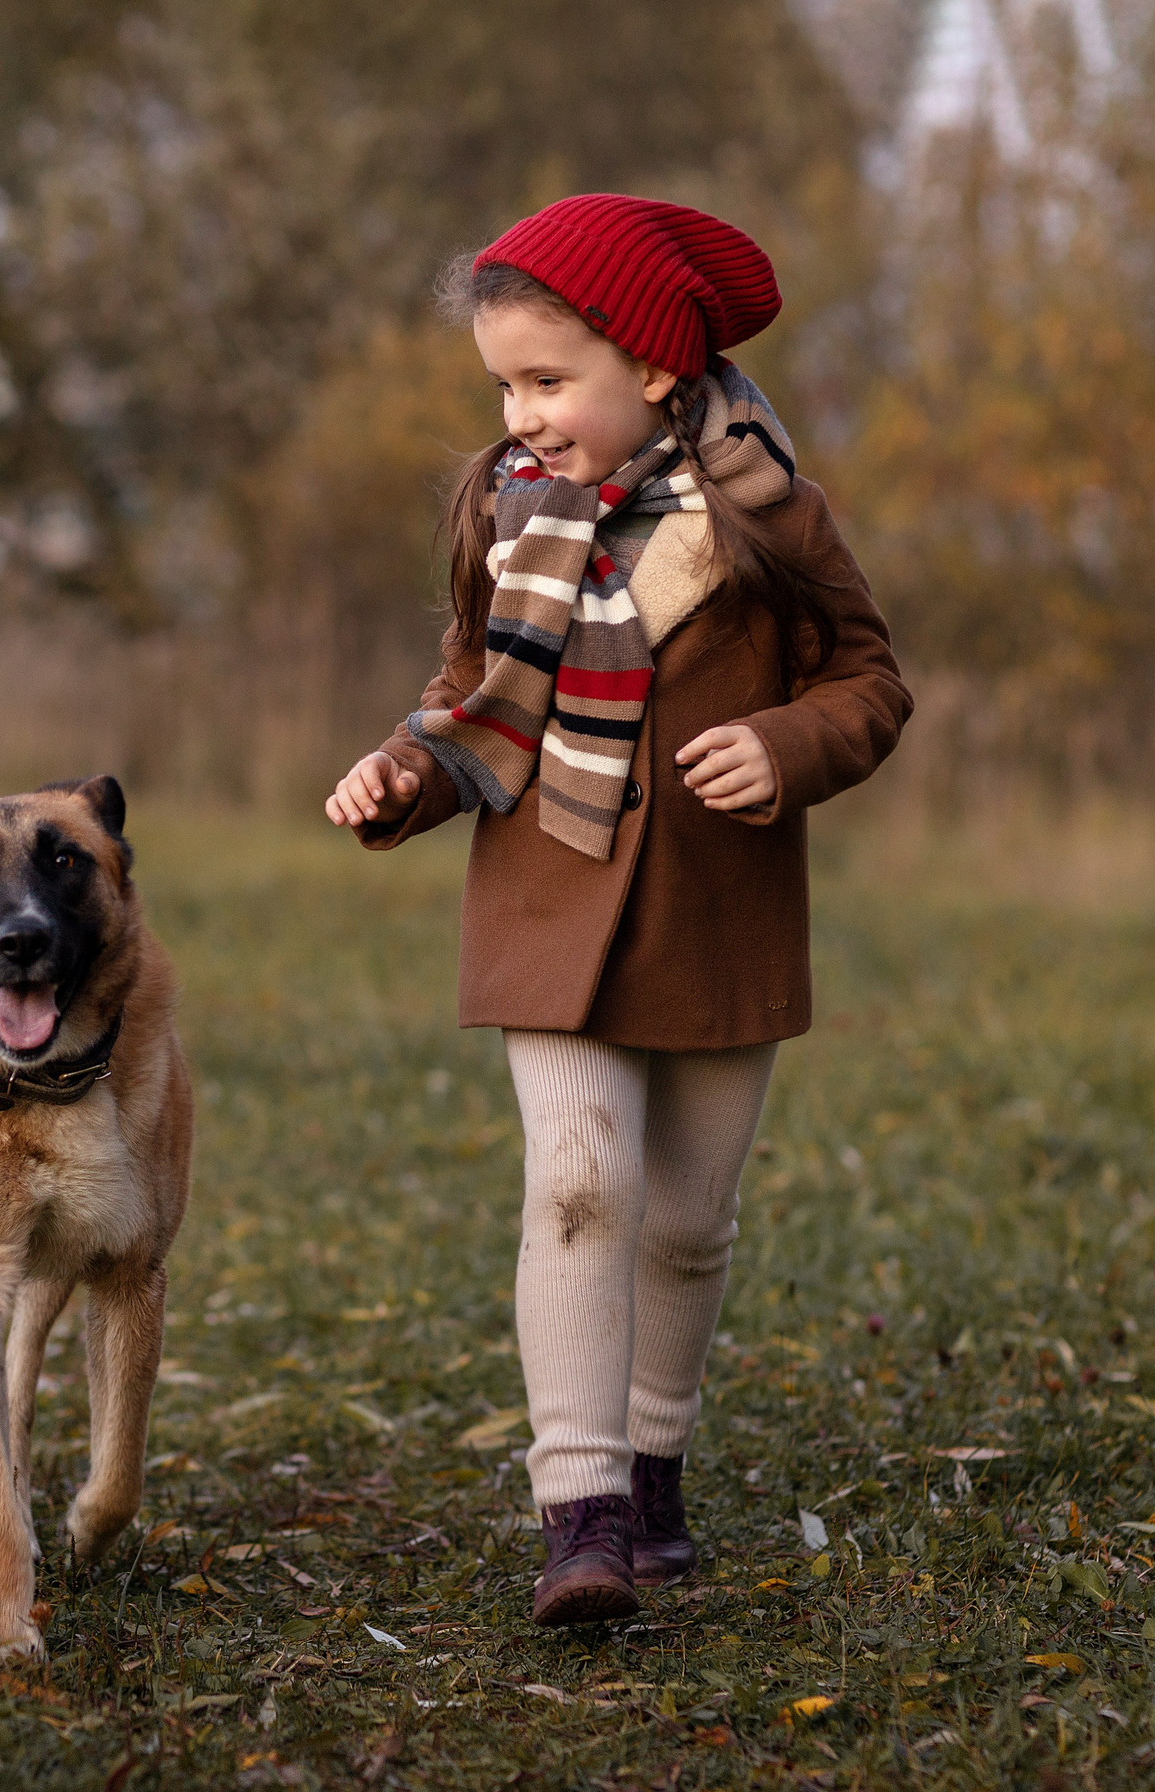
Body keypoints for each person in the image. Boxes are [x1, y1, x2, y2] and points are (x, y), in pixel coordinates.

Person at [325, 194, 911, 1627]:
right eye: (502, 387)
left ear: (651, 368)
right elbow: (471, 699)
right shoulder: (501, 512)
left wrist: (787, 747)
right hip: (551, 902)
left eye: (544, 381)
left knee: (689, 1223)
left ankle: (652, 1475)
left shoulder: (773, 518)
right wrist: (405, 775)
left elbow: (870, 685)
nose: (519, 415)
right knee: (578, 1187)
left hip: (719, 913)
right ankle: (577, 1516)